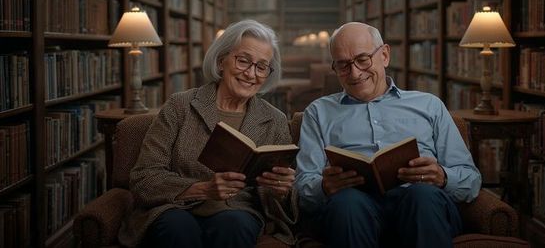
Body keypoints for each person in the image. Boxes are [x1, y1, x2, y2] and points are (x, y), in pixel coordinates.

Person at [294, 22, 481, 248]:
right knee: (346, 202)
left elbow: (470, 180)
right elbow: (303, 188)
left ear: (384, 55)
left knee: (422, 196)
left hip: (420, 206)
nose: (355, 73)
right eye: (343, 65)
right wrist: (324, 187)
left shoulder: (429, 105)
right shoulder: (318, 112)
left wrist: (442, 176)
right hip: (353, 210)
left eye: (363, 59)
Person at [119, 20, 298, 248]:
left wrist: (280, 190)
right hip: (175, 208)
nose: (251, 73)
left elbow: (283, 204)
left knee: (234, 225)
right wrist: (203, 189)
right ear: (221, 60)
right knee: (178, 228)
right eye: (243, 60)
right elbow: (144, 177)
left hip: (237, 211)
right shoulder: (180, 106)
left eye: (261, 66)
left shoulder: (275, 120)